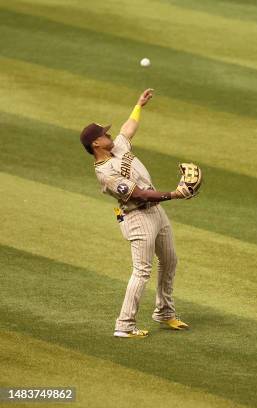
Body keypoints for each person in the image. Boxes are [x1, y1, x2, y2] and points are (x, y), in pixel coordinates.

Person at [79, 88, 189, 338]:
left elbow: (128, 128)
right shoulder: (105, 173)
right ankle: (124, 325)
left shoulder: (117, 147)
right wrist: (174, 194)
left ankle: (164, 312)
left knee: (170, 260)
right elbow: (138, 194)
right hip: (137, 217)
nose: (109, 134)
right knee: (142, 270)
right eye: (104, 134)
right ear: (96, 143)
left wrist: (139, 105)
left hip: (156, 212)